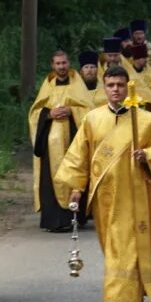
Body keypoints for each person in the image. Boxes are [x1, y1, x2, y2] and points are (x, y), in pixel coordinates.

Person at [56, 65, 151, 302]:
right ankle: (130, 291)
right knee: (111, 245)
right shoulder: (92, 119)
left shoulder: (144, 120)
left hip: (136, 193)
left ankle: (116, 298)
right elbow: (79, 156)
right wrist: (77, 187)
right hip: (105, 196)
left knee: (128, 243)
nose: (116, 90)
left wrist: (147, 155)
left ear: (128, 86)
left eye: (120, 85)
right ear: (104, 88)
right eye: (111, 85)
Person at [29, 51, 93, 232]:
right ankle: (54, 220)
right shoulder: (47, 86)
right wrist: (49, 114)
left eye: (64, 63)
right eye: (58, 64)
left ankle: (77, 216)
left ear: (69, 63)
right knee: (51, 178)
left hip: (74, 138)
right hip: (50, 143)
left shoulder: (77, 84)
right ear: (52, 65)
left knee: (75, 173)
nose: (62, 67)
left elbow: (89, 109)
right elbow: (35, 113)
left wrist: (72, 112)